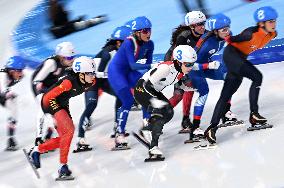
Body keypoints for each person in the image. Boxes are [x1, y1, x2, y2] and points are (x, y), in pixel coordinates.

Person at [205, 6, 277, 146]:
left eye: (274, 20)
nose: (273, 24)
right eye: (270, 21)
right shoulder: (250, 33)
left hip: (239, 58)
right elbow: (232, 39)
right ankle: (254, 114)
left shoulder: (272, 34)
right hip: (232, 56)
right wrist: (225, 35)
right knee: (257, 77)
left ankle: (211, 128)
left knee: (226, 95)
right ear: (261, 23)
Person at [29, 56, 96, 180]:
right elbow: (48, 97)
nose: (93, 76)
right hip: (49, 101)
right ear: (81, 75)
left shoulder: (91, 80)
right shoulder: (68, 82)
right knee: (69, 130)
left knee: (65, 138)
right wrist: (50, 116)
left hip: (63, 103)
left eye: (93, 73)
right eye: (90, 74)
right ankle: (63, 167)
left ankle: (37, 150)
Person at [134, 45, 197, 161]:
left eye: (192, 64)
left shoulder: (180, 71)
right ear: (178, 62)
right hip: (142, 89)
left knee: (168, 113)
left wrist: (188, 88)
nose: (190, 67)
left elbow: (177, 83)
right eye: (188, 64)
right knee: (163, 110)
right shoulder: (166, 68)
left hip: (153, 90)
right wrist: (154, 101)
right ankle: (152, 143)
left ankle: (148, 131)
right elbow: (147, 84)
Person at [75, 26, 132, 152]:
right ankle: (80, 138)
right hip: (93, 79)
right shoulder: (108, 53)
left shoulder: (122, 51)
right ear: (118, 43)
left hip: (104, 79)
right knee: (91, 105)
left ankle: (118, 131)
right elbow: (98, 73)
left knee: (121, 96)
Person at [185, 13, 239, 142]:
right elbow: (189, 65)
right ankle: (195, 128)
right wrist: (209, 65)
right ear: (215, 31)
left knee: (229, 77)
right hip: (195, 69)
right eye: (224, 30)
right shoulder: (207, 44)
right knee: (204, 92)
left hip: (207, 65)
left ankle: (226, 113)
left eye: (228, 28)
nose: (228, 32)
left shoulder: (223, 36)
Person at [108, 16, 156, 150]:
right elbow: (133, 65)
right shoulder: (129, 42)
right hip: (117, 72)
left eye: (149, 30)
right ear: (137, 32)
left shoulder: (150, 44)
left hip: (129, 71)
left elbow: (147, 67)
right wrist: (152, 65)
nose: (149, 33)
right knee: (128, 101)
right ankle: (119, 134)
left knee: (146, 95)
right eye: (145, 31)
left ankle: (146, 127)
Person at [164, 11, 206, 133]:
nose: (202, 26)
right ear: (192, 26)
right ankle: (155, 118)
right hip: (174, 62)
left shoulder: (205, 34)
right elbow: (176, 58)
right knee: (182, 92)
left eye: (203, 23)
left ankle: (184, 120)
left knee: (184, 92)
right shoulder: (183, 36)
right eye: (199, 24)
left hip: (187, 63)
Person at [32, 41, 76, 146]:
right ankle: (38, 138)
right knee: (44, 109)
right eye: (69, 58)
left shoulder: (67, 63)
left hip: (50, 86)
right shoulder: (51, 63)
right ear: (61, 57)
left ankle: (48, 136)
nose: (72, 60)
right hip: (39, 85)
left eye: (73, 57)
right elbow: (37, 81)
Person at [0, 56, 25, 151]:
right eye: (19, 71)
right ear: (11, 71)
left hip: (2, 94)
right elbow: (3, 88)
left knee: (14, 110)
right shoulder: (2, 75)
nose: (21, 73)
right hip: (2, 92)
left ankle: (11, 139)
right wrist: (9, 93)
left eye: (21, 70)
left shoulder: (16, 75)